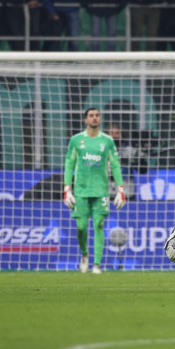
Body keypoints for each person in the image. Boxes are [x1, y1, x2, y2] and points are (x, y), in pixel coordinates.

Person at [63, 108, 126, 274]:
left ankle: (96, 265)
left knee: (99, 225)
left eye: (97, 115)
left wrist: (120, 190)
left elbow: (115, 165)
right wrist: (67, 189)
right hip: (81, 191)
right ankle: (85, 254)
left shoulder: (107, 141)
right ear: (85, 120)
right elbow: (69, 164)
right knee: (81, 228)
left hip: (101, 191)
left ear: (100, 119)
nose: (95, 118)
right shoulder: (76, 140)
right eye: (91, 115)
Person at [106, 123, 147, 200]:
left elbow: (143, 170)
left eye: (117, 133)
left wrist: (137, 160)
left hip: (127, 192)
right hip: (106, 193)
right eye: (112, 133)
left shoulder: (130, 150)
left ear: (122, 135)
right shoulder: (101, 150)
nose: (114, 136)